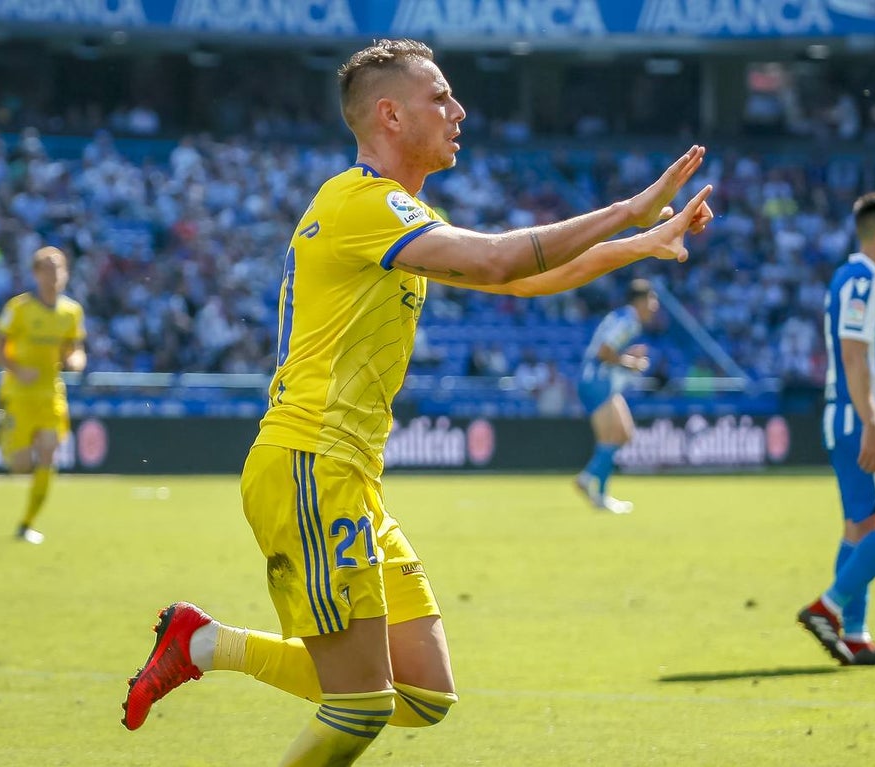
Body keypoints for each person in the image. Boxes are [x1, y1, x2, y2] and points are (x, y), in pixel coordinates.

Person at [120, 38, 713, 766]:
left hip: (347, 475)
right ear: (391, 115)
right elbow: (498, 259)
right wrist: (627, 210)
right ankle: (203, 645)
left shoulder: (393, 214)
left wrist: (642, 243)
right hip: (311, 461)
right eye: (440, 97)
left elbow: (518, 279)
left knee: (424, 693)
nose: (459, 111)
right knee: (361, 706)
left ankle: (204, 644)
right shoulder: (360, 202)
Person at [797, 191, 875, 667]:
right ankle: (827, 608)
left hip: (852, 417)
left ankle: (853, 635)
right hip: (866, 418)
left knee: (862, 525)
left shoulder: (862, 281)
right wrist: (873, 423)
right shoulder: (863, 282)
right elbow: (853, 356)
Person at [0, 246, 87, 544]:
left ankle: (27, 523)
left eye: (58, 268)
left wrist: (76, 361)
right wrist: (16, 369)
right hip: (19, 394)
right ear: (35, 274)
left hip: (51, 393)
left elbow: (74, 348)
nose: (53, 274)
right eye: (47, 268)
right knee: (20, 465)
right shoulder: (19, 308)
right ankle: (2, 429)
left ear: (66, 273)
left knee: (48, 451)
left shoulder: (71, 312)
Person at [573, 278, 660, 514]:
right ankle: (592, 485)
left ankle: (595, 488)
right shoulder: (629, 320)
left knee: (623, 434)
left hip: (600, 381)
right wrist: (630, 362)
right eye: (652, 300)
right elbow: (604, 352)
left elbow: (607, 349)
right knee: (611, 437)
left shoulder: (623, 317)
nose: (655, 306)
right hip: (597, 382)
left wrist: (627, 357)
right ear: (640, 301)